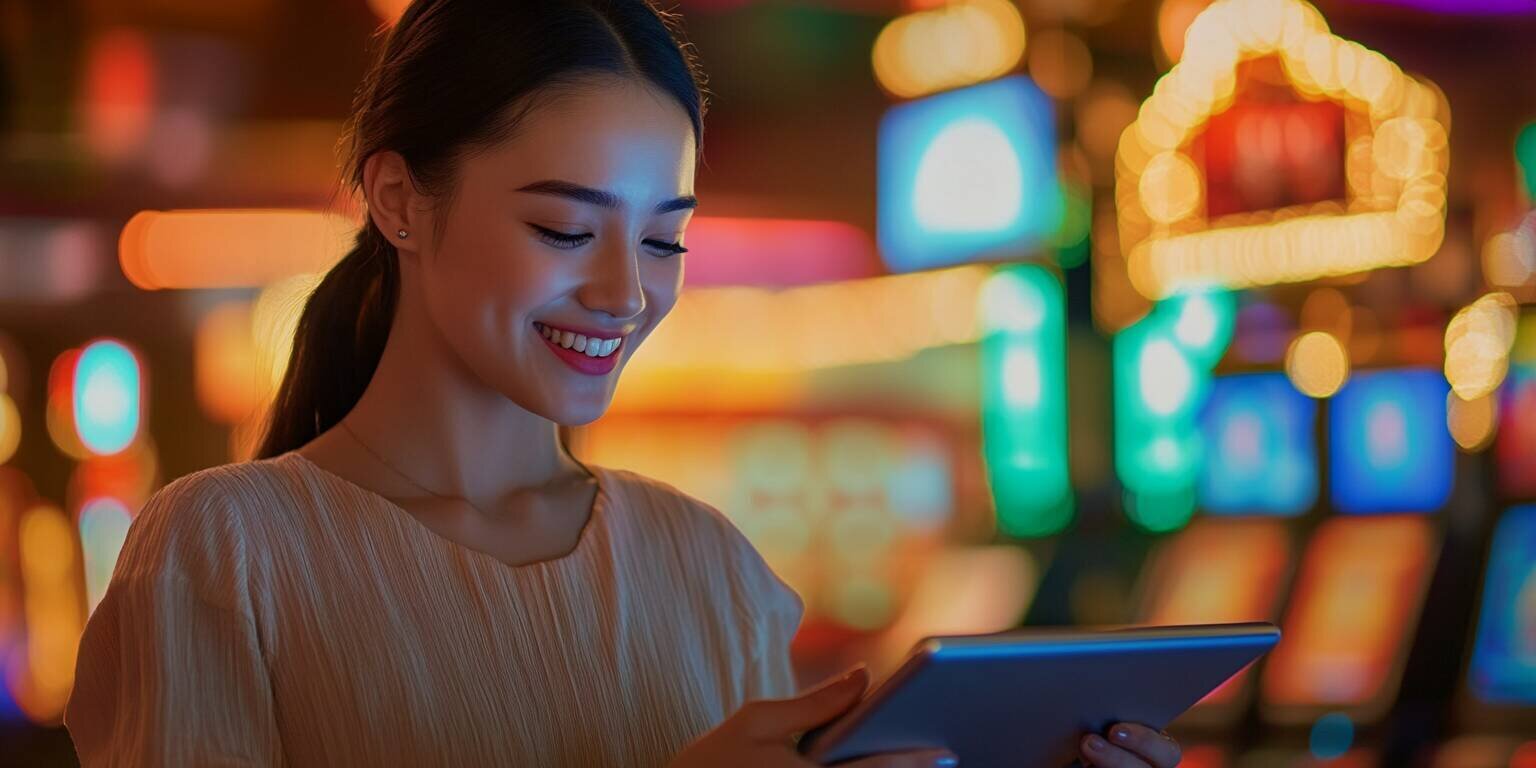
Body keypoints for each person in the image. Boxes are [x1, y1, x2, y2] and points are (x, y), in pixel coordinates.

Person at [62, 1, 1182, 766]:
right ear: (399, 201)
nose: (624, 294)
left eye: (663, 242)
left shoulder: (707, 566)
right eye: (564, 226)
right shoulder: (222, 554)